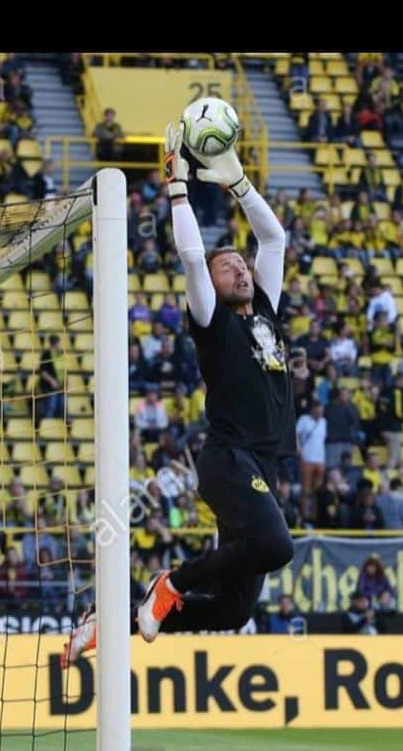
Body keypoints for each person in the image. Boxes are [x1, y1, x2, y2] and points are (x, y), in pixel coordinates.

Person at [63, 117, 296, 666]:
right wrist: (178, 187)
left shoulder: (263, 308)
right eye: (227, 266)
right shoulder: (212, 320)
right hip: (228, 458)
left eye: (240, 262)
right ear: (209, 286)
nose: (238, 266)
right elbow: (192, 258)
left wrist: (238, 183)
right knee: (276, 547)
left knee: (236, 610)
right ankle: (170, 581)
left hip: (261, 464)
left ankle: (112, 623)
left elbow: (274, 238)